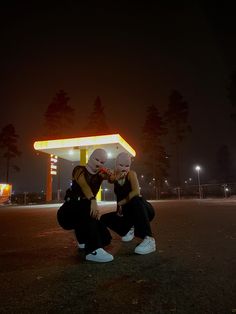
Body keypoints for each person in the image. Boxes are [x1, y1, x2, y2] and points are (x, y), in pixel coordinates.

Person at [57, 148, 113, 263]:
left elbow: (113, 179)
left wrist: (112, 174)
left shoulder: (100, 175)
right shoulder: (78, 170)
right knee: (86, 205)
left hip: (83, 214)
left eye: (102, 162)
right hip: (68, 212)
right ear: (90, 158)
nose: (98, 163)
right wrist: (93, 200)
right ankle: (93, 250)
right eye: (96, 159)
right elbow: (84, 186)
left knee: (106, 238)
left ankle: (82, 238)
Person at [101, 152, 156, 255]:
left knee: (135, 199)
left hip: (143, 209)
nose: (124, 168)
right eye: (121, 165)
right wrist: (108, 173)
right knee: (103, 218)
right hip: (128, 214)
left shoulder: (131, 174)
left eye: (127, 166)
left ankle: (149, 239)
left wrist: (122, 202)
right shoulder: (115, 175)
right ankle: (107, 239)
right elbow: (108, 177)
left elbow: (136, 192)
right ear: (116, 165)